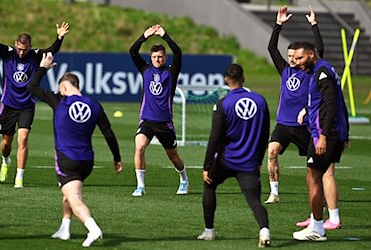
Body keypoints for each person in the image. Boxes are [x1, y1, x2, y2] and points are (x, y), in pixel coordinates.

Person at [26, 52, 123, 247]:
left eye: (60, 89)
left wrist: (43, 67)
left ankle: (92, 228)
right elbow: (109, 133)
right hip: (87, 161)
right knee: (68, 193)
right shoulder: (94, 105)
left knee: (75, 198)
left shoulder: (59, 100)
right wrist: (116, 158)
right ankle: (65, 228)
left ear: (63, 86)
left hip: (67, 159)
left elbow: (31, 86)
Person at [0, 11, 69, 188]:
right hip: (8, 104)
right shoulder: (8, 53)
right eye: (19, 48)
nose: (22, 52)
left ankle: (19, 178)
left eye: (25, 49)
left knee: (23, 139)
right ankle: (5, 160)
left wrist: (59, 38)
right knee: (6, 143)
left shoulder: (35, 55)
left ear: (30, 46)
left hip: (27, 105)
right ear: (16, 44)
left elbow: (51, 51)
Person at [197, 64, 271, 247]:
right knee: (255, 201)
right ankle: (264, 230)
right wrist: (259, 160)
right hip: (249, 163)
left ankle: (209, 232)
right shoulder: (260, 101)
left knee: (209, 187)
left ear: (225, 79)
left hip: (226, 160)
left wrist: (207, 166)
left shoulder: (224, 103)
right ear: (243, 78)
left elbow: (215, 138)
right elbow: (264, 134)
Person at [265, 5, 324, 204]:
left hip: (305, 125)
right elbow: (271, 49)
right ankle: (274, 193)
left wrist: (314, 25)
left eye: (294, 56)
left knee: (315, 165)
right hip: (284, 123)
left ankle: (321, 196)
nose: (291, 59)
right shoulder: (284, 70)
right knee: (271, 152)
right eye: (289, 56)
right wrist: (278, 25)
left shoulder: (310, 70)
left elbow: (320, 50)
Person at [291, 42, 349, 241]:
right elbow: (335, 103)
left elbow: (332, 105)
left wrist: (324, 136)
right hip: (324, 133)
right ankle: (318, 222)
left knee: (314, 177)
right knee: (314, 176)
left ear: (311, 54)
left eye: (299, 58)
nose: (296, 62)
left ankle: (317, 228)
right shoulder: (319, 69)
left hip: (325, 135)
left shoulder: (322, 72)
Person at [129, 24, 188, 197]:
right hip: (147, 120)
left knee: (173, 156)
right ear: (151, 57)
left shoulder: (171, 73)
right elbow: (132, 51)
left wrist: (165, 35)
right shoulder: (145, 69)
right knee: (139, 147)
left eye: (160, 57)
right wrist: (144, 36)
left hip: (164, 122)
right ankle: (140, 186)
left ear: (165, 57)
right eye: (154, 56)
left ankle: (184, 179)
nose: (157, 59)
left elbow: (178, 53)